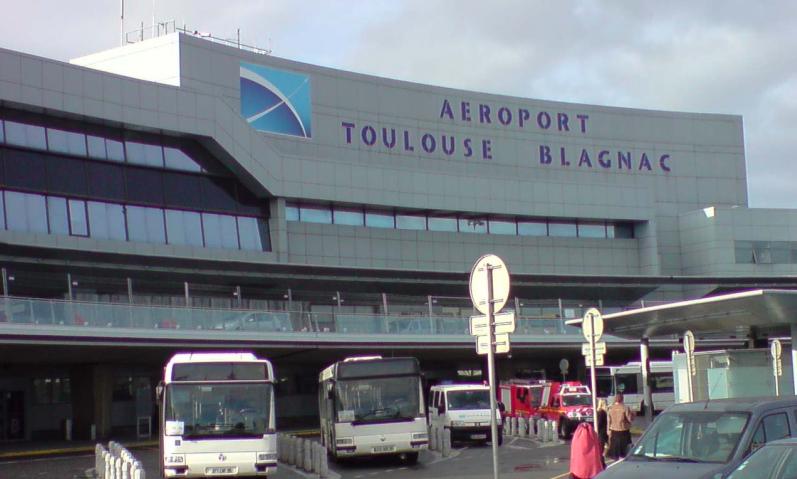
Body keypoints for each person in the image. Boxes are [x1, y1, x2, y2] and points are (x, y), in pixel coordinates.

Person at [606, 393, 634, 460]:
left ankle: (615, 459)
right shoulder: (625, 408)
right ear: (622, 399)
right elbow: (630, 419)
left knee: (615, 448)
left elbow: (608, 420)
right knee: (625, 449)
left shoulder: (610, 408)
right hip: (623, 430)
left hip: (614, 430)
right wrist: (633, 415)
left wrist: (608, 430)